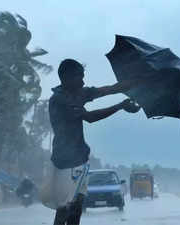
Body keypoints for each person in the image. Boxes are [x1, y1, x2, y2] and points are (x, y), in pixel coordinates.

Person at [46, 59, 143, 225]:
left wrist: (135, 83)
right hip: (64, 162)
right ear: (66, 78)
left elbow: (107, 90)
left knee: (76, 208)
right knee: (64, 208)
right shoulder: (59, 101)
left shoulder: (76, 93)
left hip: (79, 159)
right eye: (79, 77)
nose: (83, 81)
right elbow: (90, 117)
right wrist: (120, 106)